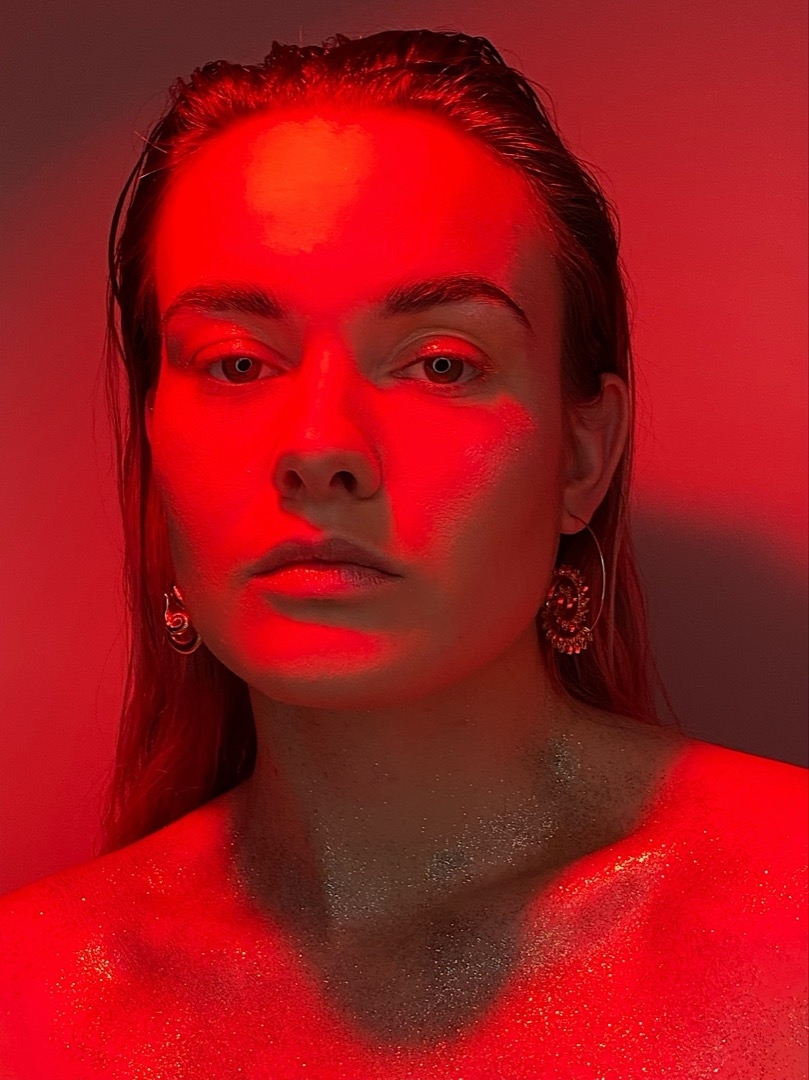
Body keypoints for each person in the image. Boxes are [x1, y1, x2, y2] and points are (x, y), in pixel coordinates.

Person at [0, 28, 805, 1079]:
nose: (319, 449)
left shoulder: (787, 928)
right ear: (151, 442)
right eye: (237, 363)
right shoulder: (33, 999)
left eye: (438, 364)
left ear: (582, 454)